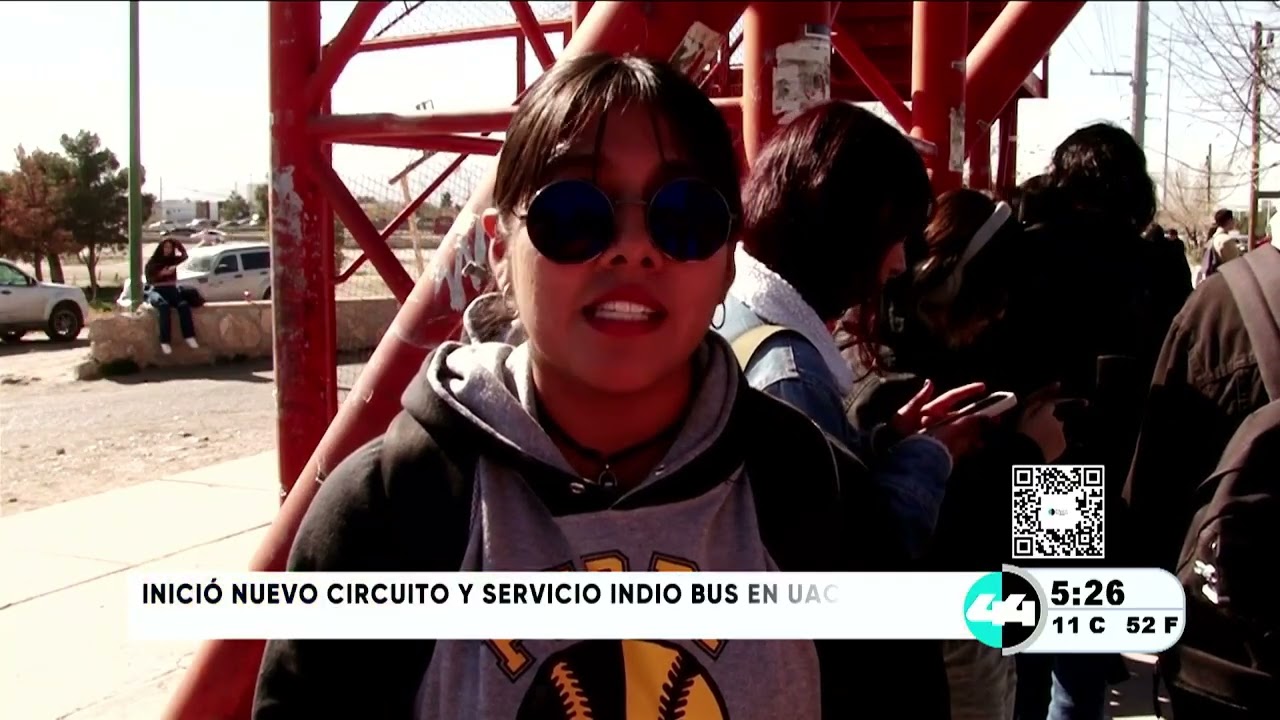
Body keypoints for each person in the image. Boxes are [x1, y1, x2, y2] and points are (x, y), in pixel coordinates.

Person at [253, 53, 947, 719]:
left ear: (727, 267)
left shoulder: (818, 498)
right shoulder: (387, 510)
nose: (633, 246)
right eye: (574, 212)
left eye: (685, 216)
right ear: (500, 248)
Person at [717, 100, 985, 560]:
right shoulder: (792, 377)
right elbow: (850, 564)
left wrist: (887, 441)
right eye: (893, 239)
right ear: (845, 231)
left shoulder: (732, 307)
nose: (900, 264)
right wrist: (940, 455)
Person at [847, 188, 1071, 720]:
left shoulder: (900, 350)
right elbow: (939, 533)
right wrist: (1032, 452)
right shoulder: (895, 384)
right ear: (947, 286)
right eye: (992, 299)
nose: (1000, 315)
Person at [143, 236, 198, 354]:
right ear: (161, 248)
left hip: (171, 289)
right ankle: (165, 341)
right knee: (164, 306)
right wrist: (161, 274)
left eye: (170, 247)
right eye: (165, 247)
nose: (168, 250)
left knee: (183, 305)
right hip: (157, 289)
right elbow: (149, 280)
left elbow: (185, 256)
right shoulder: (152, 262)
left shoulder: (172, 260)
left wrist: (176, 242)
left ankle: (189, 336)